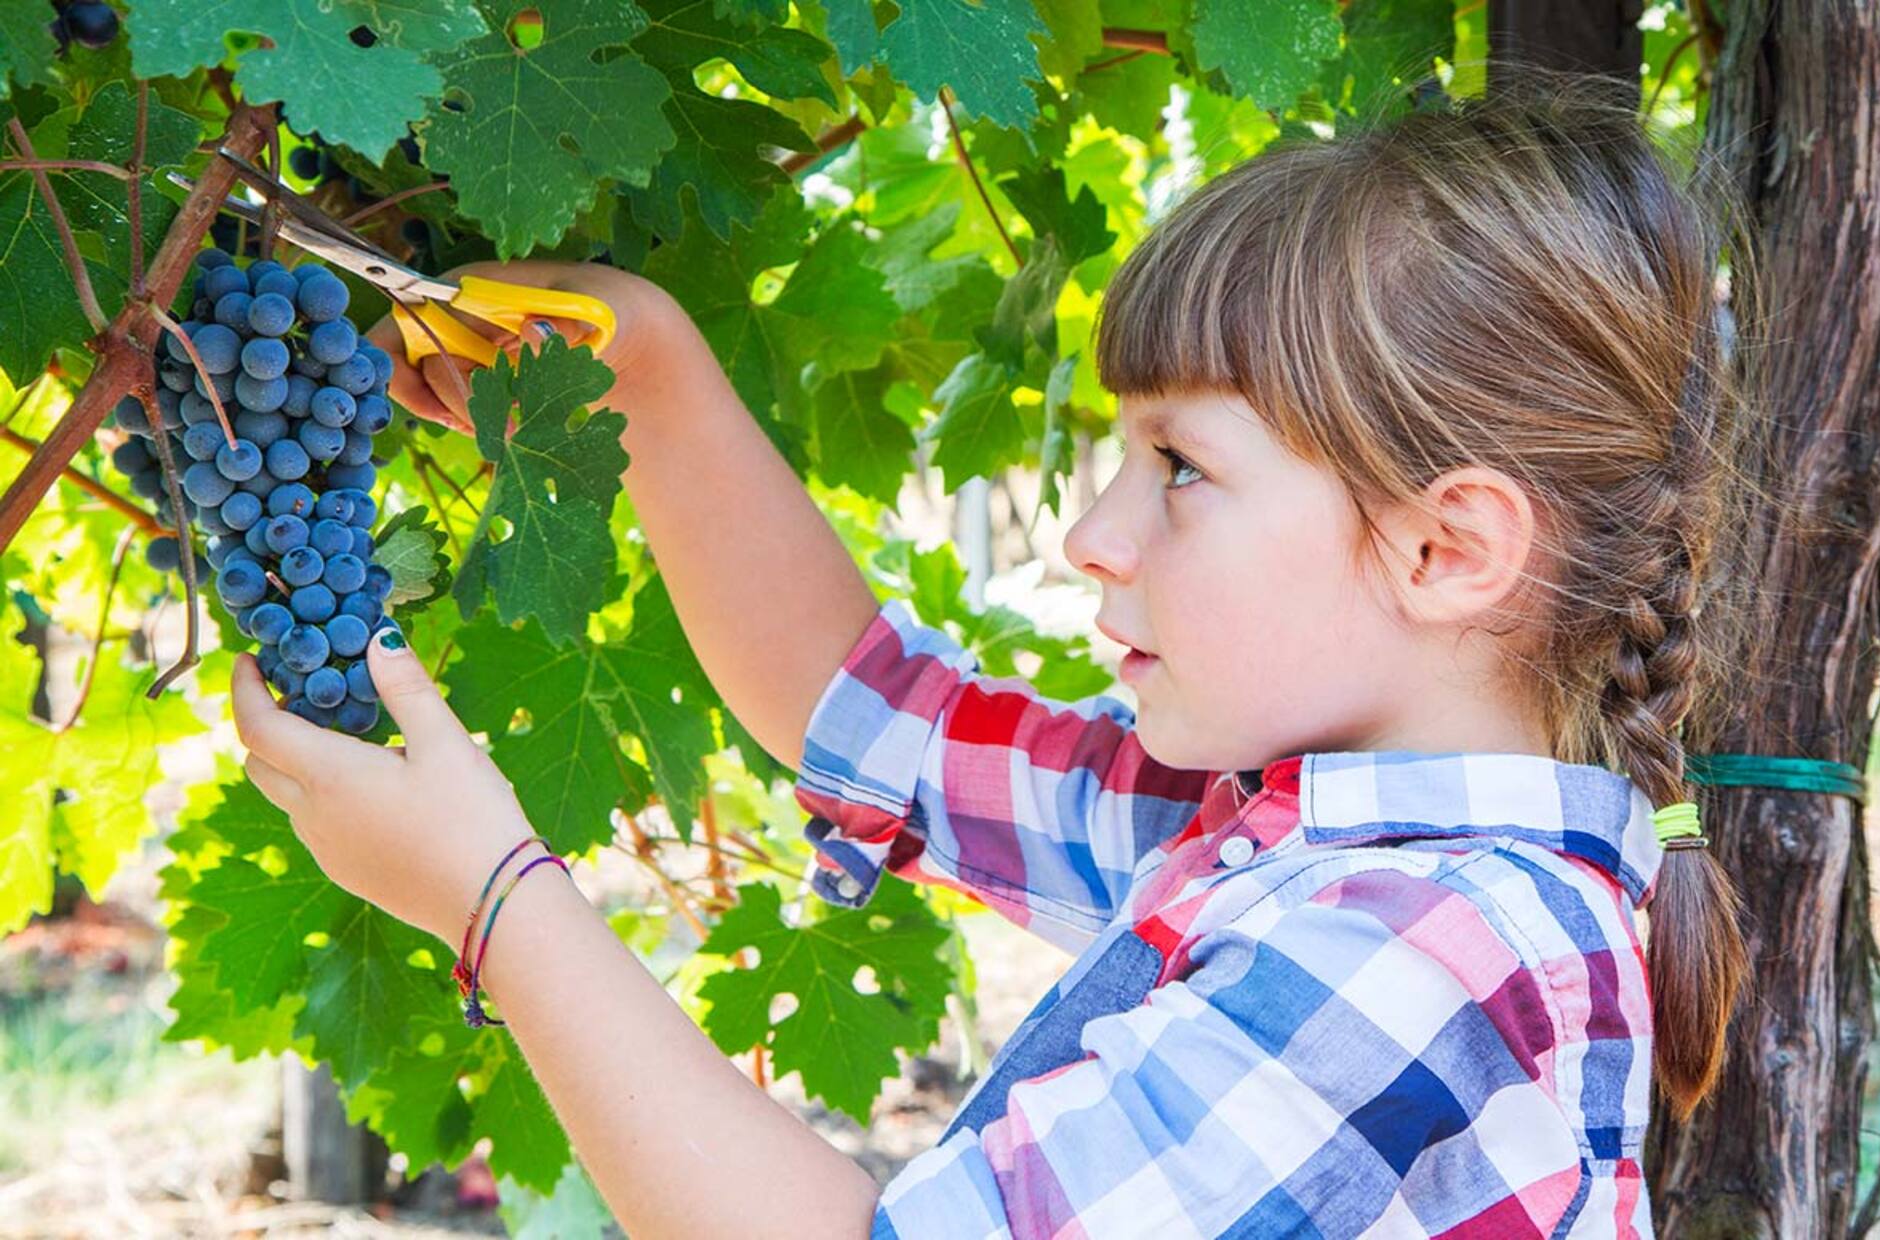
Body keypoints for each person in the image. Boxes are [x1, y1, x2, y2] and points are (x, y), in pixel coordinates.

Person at [229, 73, 1763, 1238]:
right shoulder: (1276, 835)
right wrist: (651, 372)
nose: (1096, 530)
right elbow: (871, 718)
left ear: (1446, 551)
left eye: (1178, 466)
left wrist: (498, 900)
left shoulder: (1429, 951)